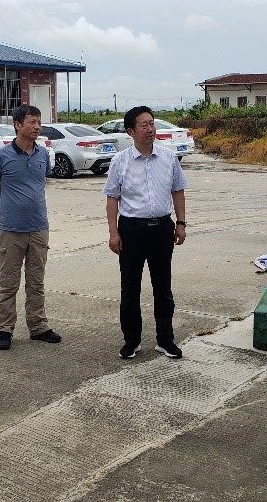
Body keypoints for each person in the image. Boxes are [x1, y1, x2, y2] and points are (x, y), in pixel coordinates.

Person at [103, 106, 189, 360]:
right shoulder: (120, 161)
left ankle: (166, 340)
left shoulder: (168, 158)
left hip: (162, 228)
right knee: (130, 288)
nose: (150, 129)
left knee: (163, 287)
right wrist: (113, 232)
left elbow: (178, 191)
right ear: (131, 131)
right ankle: (132, 341)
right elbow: (112, 199)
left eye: (152, 123)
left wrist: (181, 223)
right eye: (144, 125)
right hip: (132, 230)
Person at [0, 105, 61, 351]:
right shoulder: (1, 156)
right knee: (9, 282)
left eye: (39, 122)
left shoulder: (43, 155)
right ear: (17, 125)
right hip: (11, 230)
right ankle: (4, 329)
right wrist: (12, 204)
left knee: (36, 281)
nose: (37, 127)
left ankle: (38, 326)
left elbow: (41, 183)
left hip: (39, 227)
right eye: (32, 122)